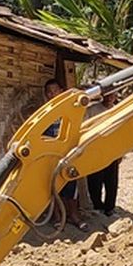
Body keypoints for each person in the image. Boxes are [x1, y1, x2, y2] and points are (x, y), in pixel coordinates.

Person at [41, 78, 88, 231]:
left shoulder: (70, 110)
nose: (52, 94)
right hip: (51, 157)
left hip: (69, 156)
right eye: (49, 92)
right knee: (54, 188)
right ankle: (58, 218)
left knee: (71, 187)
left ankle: (74, 216)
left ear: (61, 91)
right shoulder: (44, 113)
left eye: (55, 90)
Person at [85, 91, 121, 216]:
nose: (110, 98)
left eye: (113, 95)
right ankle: (97, 205)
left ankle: (110, 207)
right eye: (108, 95)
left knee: (111, 181)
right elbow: (84, 128)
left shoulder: (119, 110)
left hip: (112, 150)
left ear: (116, 96)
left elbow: (121, 131)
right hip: (95, 150)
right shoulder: (92, 110)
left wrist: (120, 152)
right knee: (95, 179)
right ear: (103, 95)